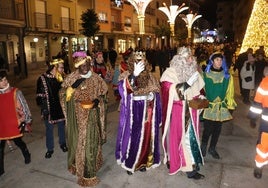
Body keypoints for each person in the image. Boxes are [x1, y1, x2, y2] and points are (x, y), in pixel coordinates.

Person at [59, 51, 108, 187]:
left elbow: (104, 92)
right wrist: (72, 89)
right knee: (81, 143)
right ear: (77, 66)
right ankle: (84, 172)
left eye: (86, 64)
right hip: (78, 118)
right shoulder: (71, 78)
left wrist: (98, 101)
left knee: (92, 143)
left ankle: (91, 168)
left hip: (93, 116)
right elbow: (63, 94)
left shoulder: (96, 78)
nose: (85, 67)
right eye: (81, 65)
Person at [160, 46, 206, 179]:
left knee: (190, 138)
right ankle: (187, 167)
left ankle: (189, 162)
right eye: (187, 57)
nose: (190, 60)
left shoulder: (193, 72)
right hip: (177, 113)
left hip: (191, 111)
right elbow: (168, 90)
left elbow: (198, 90)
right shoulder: (170, 72)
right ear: (179, 59)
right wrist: (185, 85)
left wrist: (201, 97)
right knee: (181, 139)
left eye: (191, 57)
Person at [115, 51, 162, 175]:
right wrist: (133, 76)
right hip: (133, 112)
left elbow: (157, 90)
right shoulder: (126, 75)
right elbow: (122, 90)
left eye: (141, 61)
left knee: (147, 136)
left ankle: (143, 161)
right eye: (136, 61)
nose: (139, 63)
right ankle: (131, 162)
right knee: (133, 137)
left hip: (148, 111)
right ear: (131, 62)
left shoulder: (150, 76)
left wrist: (153, 95)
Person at [201, 52, 237, 159]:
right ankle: (203, 147)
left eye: (221, 60)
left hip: (221, 107)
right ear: (212, 61)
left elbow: (230, 92)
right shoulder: (205, 75)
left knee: (217, 129)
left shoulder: (227, 76)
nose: (219, 62)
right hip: (209, 107)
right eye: (217, 60)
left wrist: (230, 106)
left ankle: (212, 148)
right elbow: (201, 90)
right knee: (207, 129)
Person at [0, 70, 32, 176]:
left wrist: (26, 120)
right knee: (0, 148)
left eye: (5, 79)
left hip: (14, 123)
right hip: (2, 125)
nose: (4, 82)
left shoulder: (16, 92)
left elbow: (24, 106)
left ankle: (26, 153)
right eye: (1, 81)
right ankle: (1, 169)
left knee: (18, 142)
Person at [36, 58, 68, 159]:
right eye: (61, 68)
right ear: (55, 67)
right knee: (49, 129)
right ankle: (50, 149)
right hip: (49, 108)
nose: (63, 70)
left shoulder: (62, 77)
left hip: (60, 107)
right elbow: (40, 96)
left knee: (61, 127)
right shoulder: (42, 78)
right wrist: (44, 109)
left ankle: (62, 143)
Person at [248, 66, 268, 179]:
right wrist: (253, 117)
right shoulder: (265, 83)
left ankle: (259, 167)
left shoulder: (264, 83)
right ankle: (259, 166)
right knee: (264, 146)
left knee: (264, 146)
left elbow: (257, 103)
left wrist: (253, 118)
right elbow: (257, 104)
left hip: (266, 124)